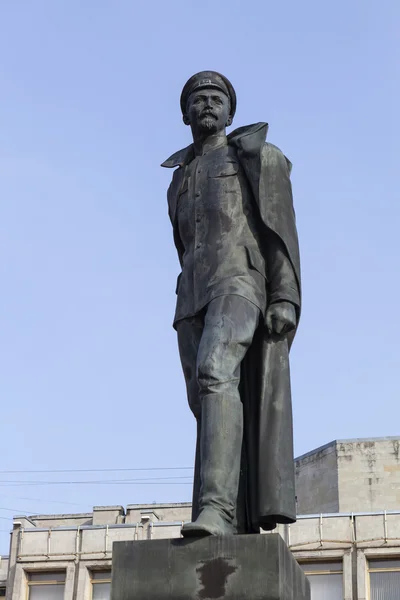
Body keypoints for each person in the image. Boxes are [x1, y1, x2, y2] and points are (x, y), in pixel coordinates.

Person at [162, 71, 301, 536]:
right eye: (197, 99)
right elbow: (183, 245)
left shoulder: (256, 157)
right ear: (185, 114)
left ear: (229, 111)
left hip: (240, 282)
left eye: (216, 98)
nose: (207, 105)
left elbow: (277, 228)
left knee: (215, 373)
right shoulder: (177, 179)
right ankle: (229, 515)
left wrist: (284, 294)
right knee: (206, 401)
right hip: (192, 298)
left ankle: (217, 511)